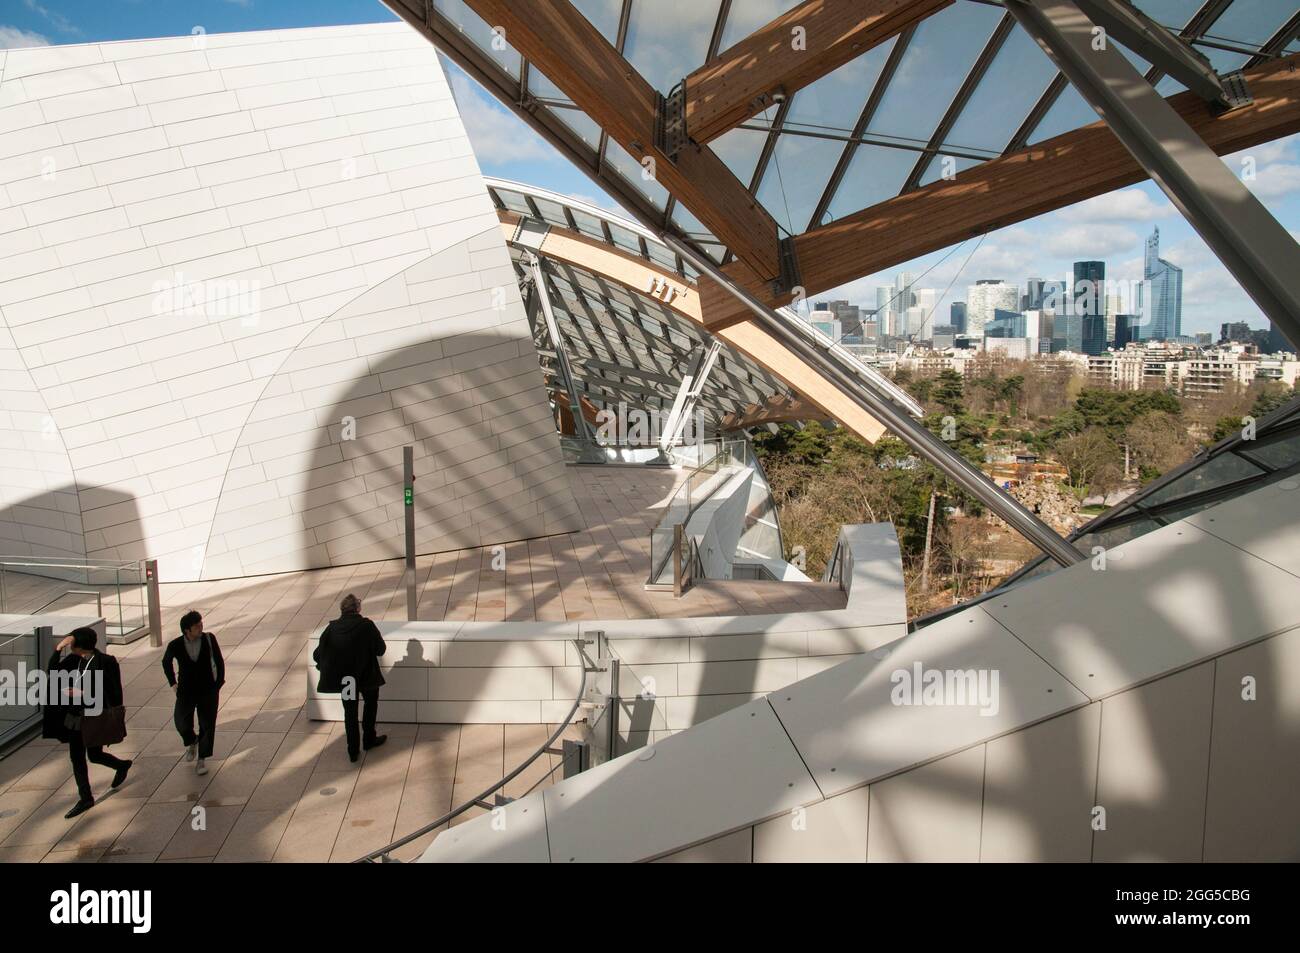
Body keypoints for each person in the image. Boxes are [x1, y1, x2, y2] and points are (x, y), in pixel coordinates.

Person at [42, 627, 131, 819]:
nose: (69, 644)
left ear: (79, 645)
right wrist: (58, 649)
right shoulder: (74, 660)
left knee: (95, 755)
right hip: (76, 717)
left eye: (71, 641)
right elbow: (52, 671)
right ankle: (86, 797)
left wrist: (84, 693)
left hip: (95, 716)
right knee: (78, 757)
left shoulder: (105, 662)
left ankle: (121, 766)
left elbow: (114, 692)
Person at [314, 594, 387, 762]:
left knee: (350, 713)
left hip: (346, 680)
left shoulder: (331, 629)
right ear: (358, 609)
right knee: (370, 705)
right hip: (367, 676)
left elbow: (318, 654)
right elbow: (380, 650)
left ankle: (352, 750)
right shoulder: (367, 626)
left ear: (342, 610)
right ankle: (369, 739)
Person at [161, 610, 225, 777]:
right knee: (181, 720)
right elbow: (166, 662)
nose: (201, 627)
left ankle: (202, 758)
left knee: (207, 724)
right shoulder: (175, 645)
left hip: (208, 690)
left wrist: (218, 684)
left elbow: (219, 660)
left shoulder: (209, 639)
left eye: (201, 624)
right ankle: (191, 741)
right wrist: (173, 683)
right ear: (186, 631)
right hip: (186, 690)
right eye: (197, 626)